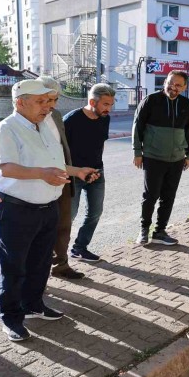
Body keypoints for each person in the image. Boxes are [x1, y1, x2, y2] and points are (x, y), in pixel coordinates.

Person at [0, 79, 98, 342]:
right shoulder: (6, 129)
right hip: (16, 211)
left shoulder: (46, 125)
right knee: (14, 267)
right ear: (20, 102)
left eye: (49, 102)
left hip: (47, 208)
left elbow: (55, 164)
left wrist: (77, 171)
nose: (47, 107)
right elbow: (6, 168)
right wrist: (42, 175)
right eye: (41, 102)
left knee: (40, 263)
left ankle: (34, 305)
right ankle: (11, 318)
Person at [132, 70, 189, 246]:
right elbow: (137, 126)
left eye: (178, 85)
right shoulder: (151, 100)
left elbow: (188, 131)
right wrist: (137, 152)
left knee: (169, 196)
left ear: (184, 87)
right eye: (170, 82)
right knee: (150, 195)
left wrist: (188, 154)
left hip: (177, 158)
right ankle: (144, 230)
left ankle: (160, 232)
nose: (173, 87)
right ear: (165, 81)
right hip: (153, 156)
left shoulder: (186, 104)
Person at [63, 83, 115, 262]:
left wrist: (95, 169)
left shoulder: (104, 119)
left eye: (111, 104)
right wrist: (75, 171)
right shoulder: (70, 120)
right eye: (105, 104)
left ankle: (79, 248)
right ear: (93, 101)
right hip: (74, 175)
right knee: (68, 216)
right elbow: (60, 151)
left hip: (96, 172)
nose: (109, 108)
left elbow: (98, 145)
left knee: (95, 212)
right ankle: (57, 253)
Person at [38, 76, 83, 280]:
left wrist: (73, 171)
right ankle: (38, 272)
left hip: (62, 177)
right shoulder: (27, 119)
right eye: (48, 99)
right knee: (41, 229)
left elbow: (61, 147)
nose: (52, 105)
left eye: (55, 100)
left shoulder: (56, 116)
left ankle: (61, 264)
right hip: (39, 181)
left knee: (63, 224)